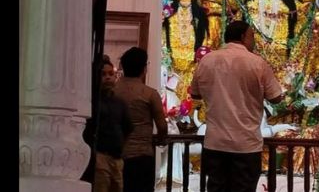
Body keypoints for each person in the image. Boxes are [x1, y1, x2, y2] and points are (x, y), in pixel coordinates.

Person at [191, 21, 285, 192]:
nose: (253, 41)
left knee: (216, 188)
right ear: (242, 37)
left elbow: (195, 94)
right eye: (251, 36)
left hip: (215, 143)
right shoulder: (257, 63)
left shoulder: (206, 61)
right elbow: (276, 98)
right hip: (246, 144)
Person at [115, 47, 168, 192]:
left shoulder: (113, 91)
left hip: (115, 155)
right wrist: (161, 139)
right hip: (142, 155)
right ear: (144, 69)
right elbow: (162, 126)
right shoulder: (150, 94)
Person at [93, 57, 133, 192]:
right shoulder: (93, 102)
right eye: (103, 74)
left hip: (116, 158)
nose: (108, 78)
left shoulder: (119, 103)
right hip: (100, 157)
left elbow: (127, 128)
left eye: (111, 74)